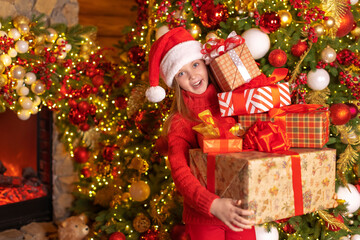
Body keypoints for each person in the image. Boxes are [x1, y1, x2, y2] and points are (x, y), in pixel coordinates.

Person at [146, 27, 256, 240]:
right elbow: (180, 172)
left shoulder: (233, 101)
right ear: (175, 82)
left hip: (240, 210)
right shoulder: (181, 121)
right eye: (181, 73)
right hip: (204, 218)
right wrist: (212, 205)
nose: (192, 75)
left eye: (195, 64)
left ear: (205, 64)